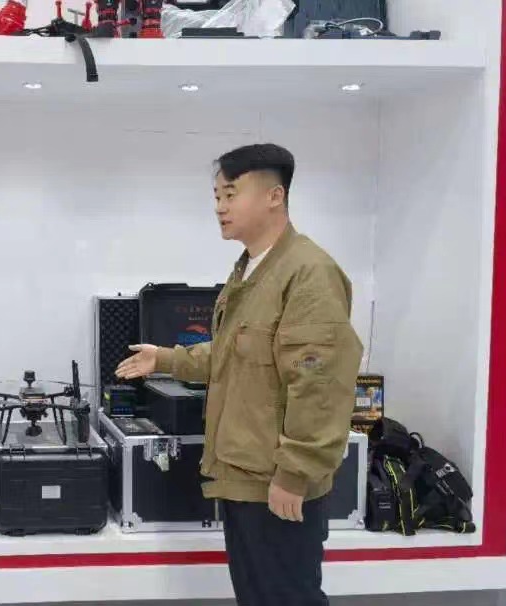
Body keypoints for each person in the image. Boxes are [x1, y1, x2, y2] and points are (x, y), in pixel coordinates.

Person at [115, 143, 362, 606]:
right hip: (243, 475)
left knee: (288, 598)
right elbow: (234, 353)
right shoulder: (250, 270)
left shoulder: (308, 272)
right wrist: (165, 359)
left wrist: (295, 472)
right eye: (216, 197)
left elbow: (319, 383)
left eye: (231, 194)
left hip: (278, 481)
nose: (220, 207)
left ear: (275, 196)